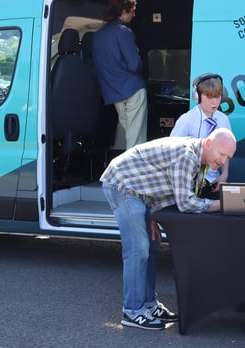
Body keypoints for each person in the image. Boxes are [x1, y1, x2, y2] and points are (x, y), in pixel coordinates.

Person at [101, 128, 237, 330]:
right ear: (208, 144)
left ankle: (149, 305)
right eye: (222, 154)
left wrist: (154, 216)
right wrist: (225, 204)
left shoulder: (201, 159)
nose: (224, 161)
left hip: (142, 193)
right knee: (138, 250)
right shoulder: (187, 156)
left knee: (152, 248)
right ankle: (132, 311)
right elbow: (186, 203)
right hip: (123, 185)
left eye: (228, 157)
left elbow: (166, 185)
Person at [92, 0, 147, 149]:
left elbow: (96, 68)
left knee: (126, 133)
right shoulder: (124, 32)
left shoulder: (97, 36)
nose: (134, 14)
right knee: (136, 139)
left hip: (113, 92)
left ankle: (122, 168)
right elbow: (134, 64)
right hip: (133, 90)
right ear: (124, 11)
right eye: (132, 11)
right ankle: (134, 171)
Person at [170, 73, 231, 199]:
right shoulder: (186, 120)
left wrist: (224, 174)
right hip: (189, 183)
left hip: (212, 181)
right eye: (209, 97)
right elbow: (172, 152)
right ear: (197, 96)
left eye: (218, 97)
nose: (215, 102)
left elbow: (226, 150)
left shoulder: (223, 119)